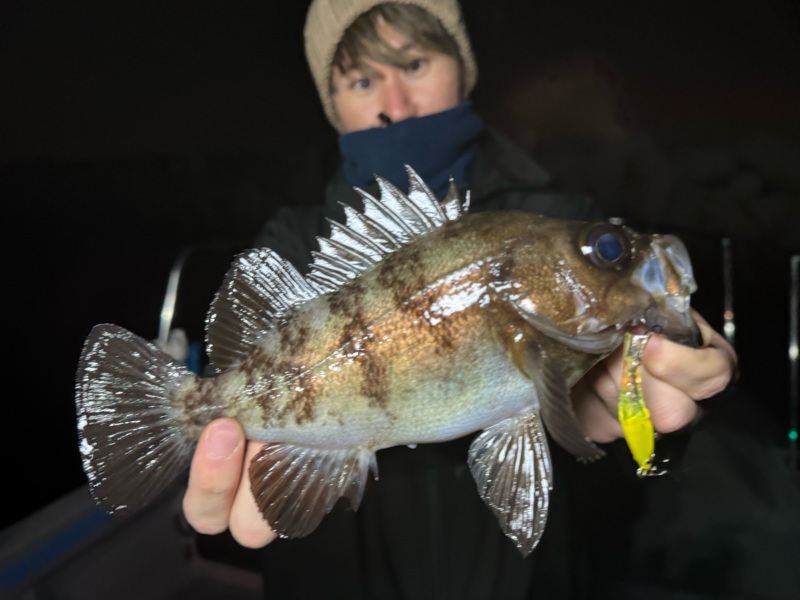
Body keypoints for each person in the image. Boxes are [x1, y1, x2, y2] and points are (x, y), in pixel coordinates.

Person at [181, 0, 738, 596]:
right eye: (363, 80)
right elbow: (237, 381)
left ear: (462, 70)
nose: (394, 105)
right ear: (332, 105)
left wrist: (649, 422)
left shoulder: (559, 217)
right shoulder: (294, 240)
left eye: (415, 64)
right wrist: (213, 432)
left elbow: (633, 477)